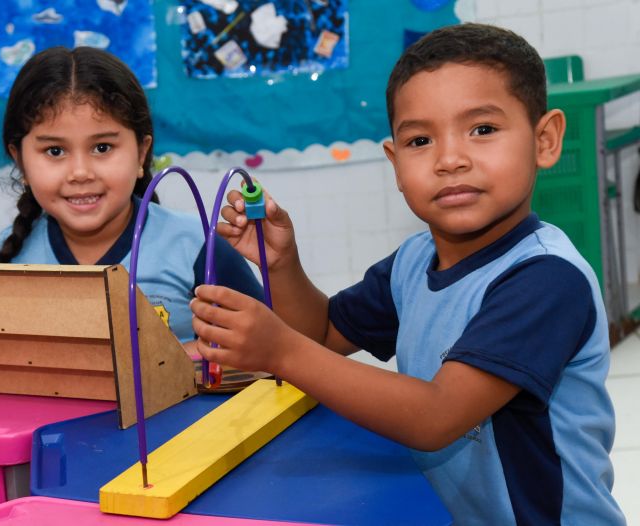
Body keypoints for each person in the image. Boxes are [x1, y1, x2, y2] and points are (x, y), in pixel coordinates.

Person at [190, 23, 625, 524]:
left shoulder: (547, 278)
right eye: (420, 140)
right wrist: (282, 265)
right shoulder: (415, 260)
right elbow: (323, 333)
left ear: (544, 140)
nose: (450, 160)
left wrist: (279, 351)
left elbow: (437, 417)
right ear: (395, 164)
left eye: (482, 129)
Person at [0, 46, 263, 344]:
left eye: (102, 147)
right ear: (20, 161)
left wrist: (195, 359)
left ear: (141, 153)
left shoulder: (197, 245)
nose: (80, 172)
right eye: (55, 151)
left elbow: (270, 350)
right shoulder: (10, 252)